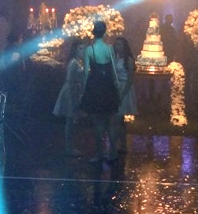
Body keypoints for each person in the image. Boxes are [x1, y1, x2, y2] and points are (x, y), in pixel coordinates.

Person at [78, 20, 120, 164]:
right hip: (108, 86)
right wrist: (116, 86)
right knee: (109, 121)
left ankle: (99, 153)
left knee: (97, 122)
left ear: (93, 32)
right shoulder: (109, 48)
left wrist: (82, 91)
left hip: (95, 86)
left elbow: (86, 72)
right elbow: (113, 69)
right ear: (104, 32)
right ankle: (113, 151)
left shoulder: (89, 50)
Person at [52, 38, 86, 156]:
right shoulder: (74, 63)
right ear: (75, 50)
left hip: (74, 91)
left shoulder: (76, 62)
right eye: (80, 49)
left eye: (84, 49)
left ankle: (70, 146)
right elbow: (71, 80)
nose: (83, 51)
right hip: (71, 92)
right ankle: (69, 148)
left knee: (71, 121)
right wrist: (74, 96)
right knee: (70, 120)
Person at [111, 37, 137, 155]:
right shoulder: (115, 58)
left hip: (124, 88)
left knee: (118, 118)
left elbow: (130, 79)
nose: (117, 47)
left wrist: (122, 94)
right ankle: (122, 144)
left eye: (120, 45)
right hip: (116, 88)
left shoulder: (128, 60)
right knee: (119, 119)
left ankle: (115, 145)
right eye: (116, 44)